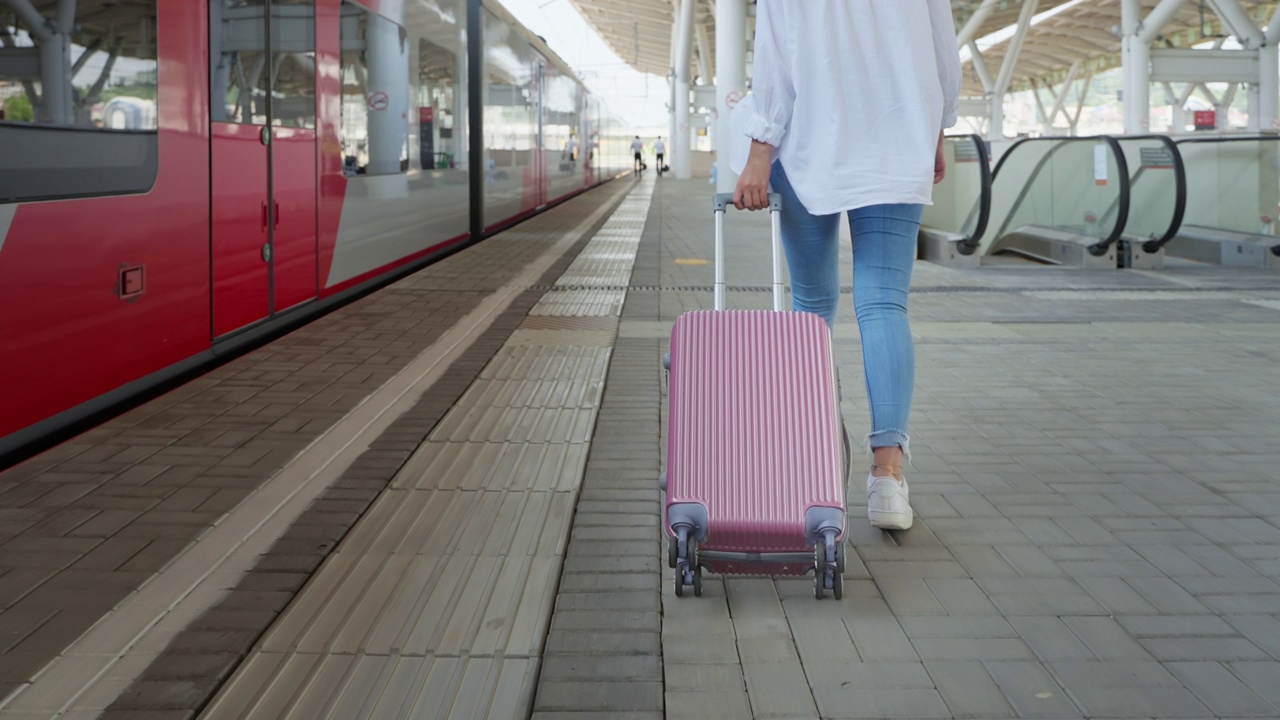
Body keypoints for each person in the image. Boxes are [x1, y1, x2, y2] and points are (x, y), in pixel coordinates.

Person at [731, 0, 961, 531]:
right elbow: (941, 48)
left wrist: (759, 153)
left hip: (810, 137)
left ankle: (812, 463)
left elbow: (776, 60)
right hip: (898, 131)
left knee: (810, 304)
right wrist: (937, 127)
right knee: (883, 302)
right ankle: (887, 479)